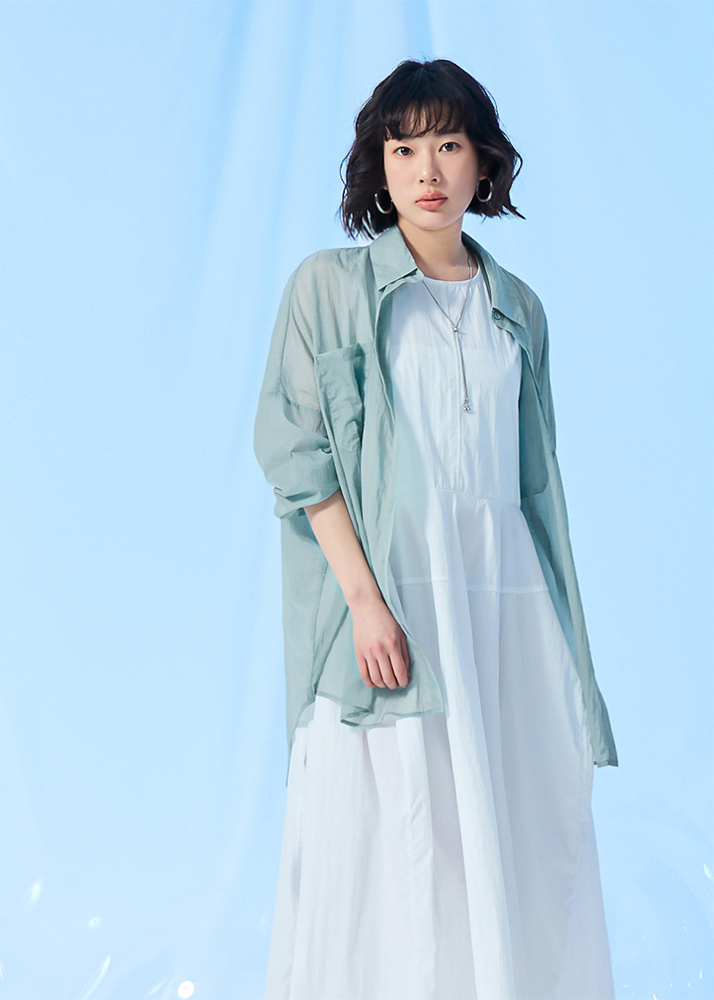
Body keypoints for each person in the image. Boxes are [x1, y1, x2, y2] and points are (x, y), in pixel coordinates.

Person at [253, 57, 619, 1000]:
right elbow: (297, 455)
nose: (428, 169)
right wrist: (365, 603)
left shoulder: (518, 308)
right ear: (377, 166)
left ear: (483, 162)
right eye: (404, 147)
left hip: (506, 613)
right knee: (386, 844)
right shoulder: (329, 288)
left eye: (449, 145)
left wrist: (563, 649)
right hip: (396, 607)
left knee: (510, 844)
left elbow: (535, 488)